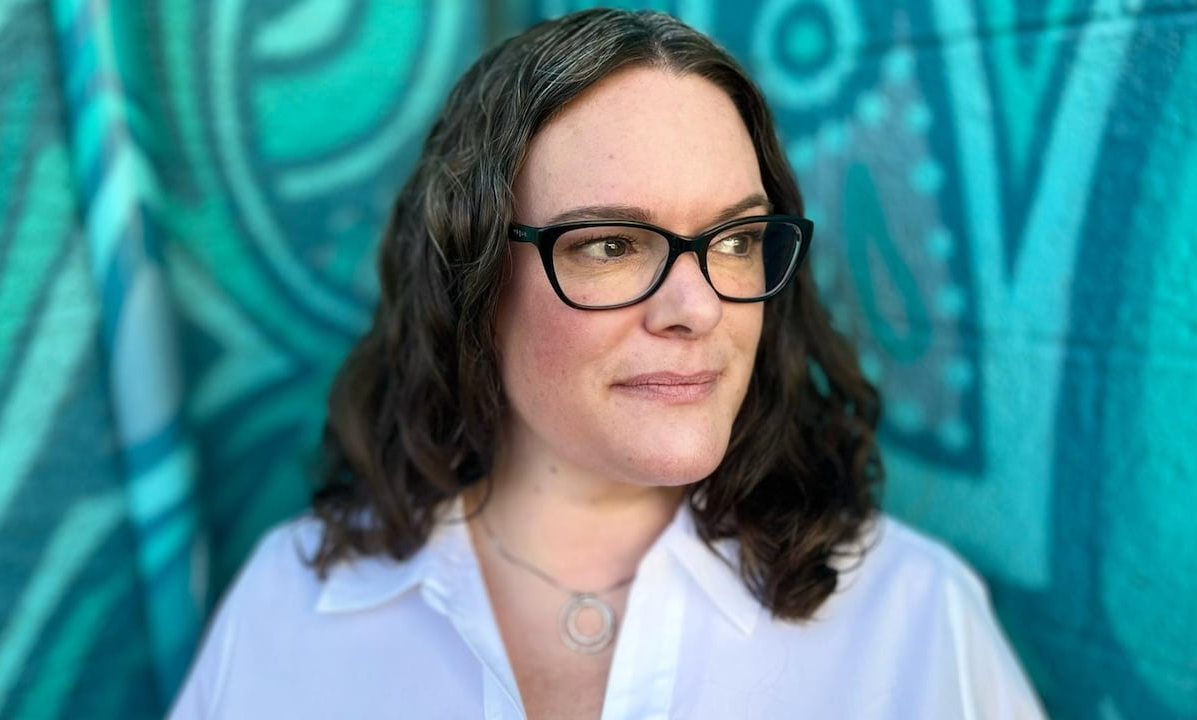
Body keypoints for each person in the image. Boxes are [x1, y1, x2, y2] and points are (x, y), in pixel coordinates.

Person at [169, 9, 1044, 719]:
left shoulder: (911, 619)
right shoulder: (292, 608)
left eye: (736, 239)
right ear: (471, 280)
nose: (699, 309)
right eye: (613, 245)